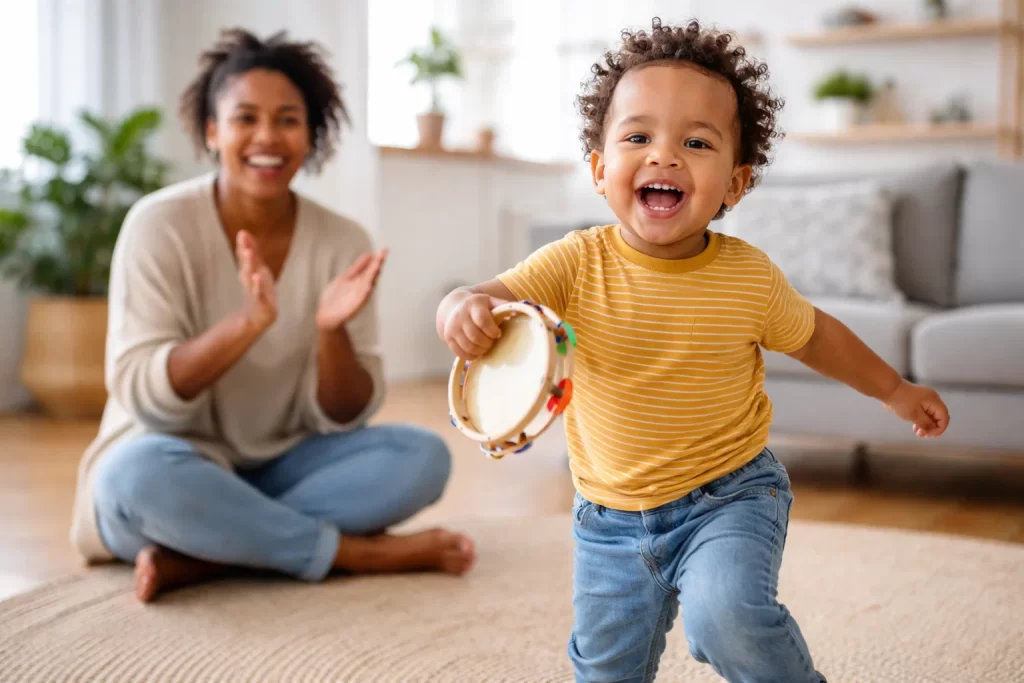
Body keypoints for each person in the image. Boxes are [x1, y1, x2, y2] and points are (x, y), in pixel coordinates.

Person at [436, 18, 949, 683]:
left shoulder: (749, 276)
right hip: (609, 518)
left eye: (696, 141)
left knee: (727, 615)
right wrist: (460, 309)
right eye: (638, 136)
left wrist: (894, 389)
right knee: (605, 670)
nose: (664, 156)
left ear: (735, 184)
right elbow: (481, 297)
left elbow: (818, 335)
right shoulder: (574, 262)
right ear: (599, 168)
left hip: (731, 494)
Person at [71, 28, 475, 604]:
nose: (267, 136)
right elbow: (140, 393)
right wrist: (247, 324)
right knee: (130, 477)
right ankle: (352, 554)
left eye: (288, 119)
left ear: (310, 136)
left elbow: (346, 414)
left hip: (287, 463)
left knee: (422, 458)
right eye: (245, 118)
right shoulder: (156, 225)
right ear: (213, 131)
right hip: (174, 461)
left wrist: (330, 333)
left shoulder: (343, 240)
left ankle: (208, 557)